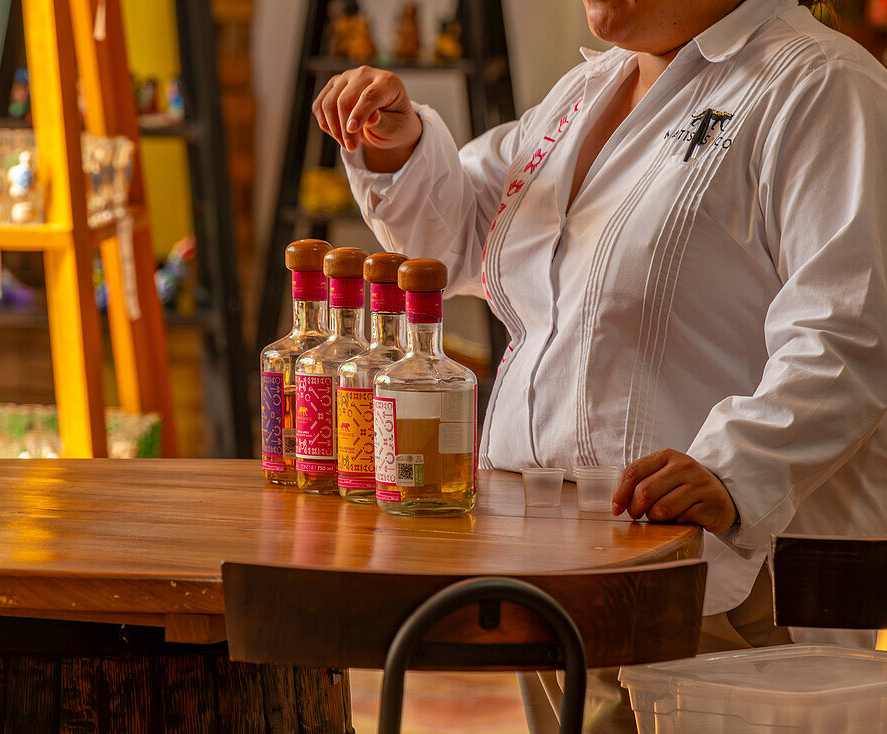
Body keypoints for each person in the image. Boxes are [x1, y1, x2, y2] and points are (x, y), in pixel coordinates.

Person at [313, 0, 887, 730]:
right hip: (551, 575)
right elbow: (461, 236)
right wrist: (399, 147)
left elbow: (849, 330)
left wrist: (733, 471)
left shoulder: (822, 86)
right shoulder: (588, 93)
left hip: (709, 585)